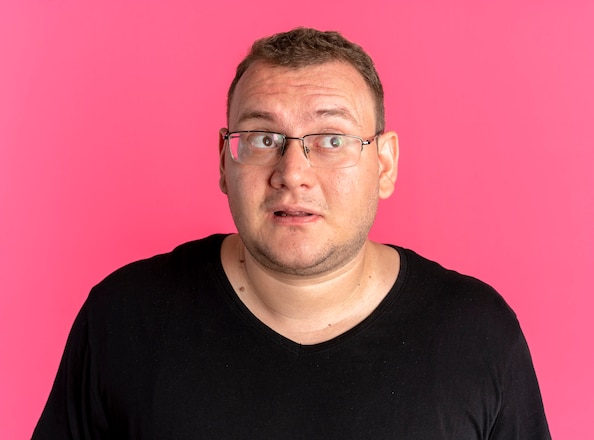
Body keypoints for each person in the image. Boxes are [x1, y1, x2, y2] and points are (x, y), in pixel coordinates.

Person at [32, 28, 551, 439]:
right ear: (223, 160)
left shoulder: (477, 334)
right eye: (263, 138)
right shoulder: (122, 319)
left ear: (385, 163)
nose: (293, 172)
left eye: (330, 138)